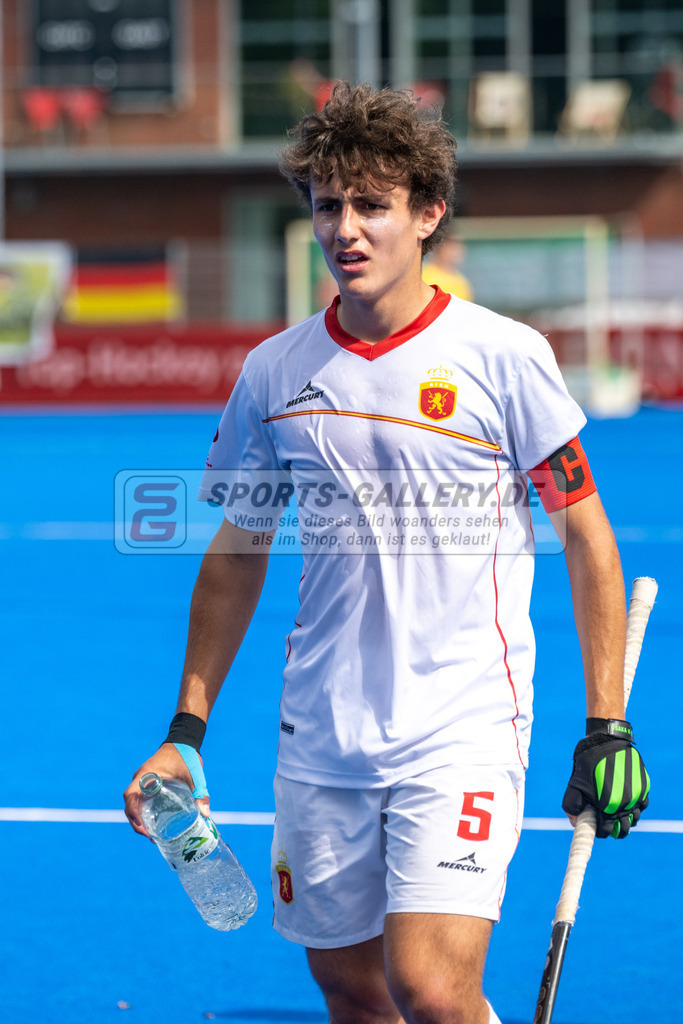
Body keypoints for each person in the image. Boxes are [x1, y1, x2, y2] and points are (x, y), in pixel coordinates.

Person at [124, 82, 649, 1024]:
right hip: (321, 733)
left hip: (463, 724)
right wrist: (186, 730)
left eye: (371, 205)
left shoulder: (503, 355)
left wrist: (606, 723)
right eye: (329, 206)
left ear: (427, 213)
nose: (346, 229)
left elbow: (585, 534)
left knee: (433, 992)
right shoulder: (274, 372)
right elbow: (238, 554)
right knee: (354, 992)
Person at [422, 230, 474, 301]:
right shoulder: (423, 275)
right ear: (441, 249)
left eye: (460, 246)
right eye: (453, 247)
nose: (457, 251)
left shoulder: (462, 282)